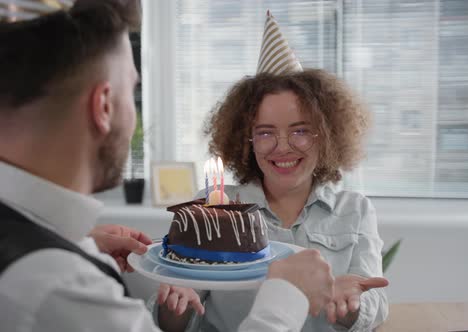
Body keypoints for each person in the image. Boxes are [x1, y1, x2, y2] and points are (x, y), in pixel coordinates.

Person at [0, 1, 334, 331]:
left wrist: (83, 245)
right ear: (103, 106)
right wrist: (286, 297)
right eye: (132, 90)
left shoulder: (42, 257)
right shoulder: (59, 285)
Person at [154, 68, 390, 332]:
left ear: (325, 136)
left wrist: (351, 304)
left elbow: (375, 303)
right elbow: (173, 318)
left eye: (300, 131)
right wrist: (177, 306)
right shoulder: (214, 206)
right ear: (247, 141)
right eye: (266, 133)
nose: (283, 146)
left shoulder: (355, 210)